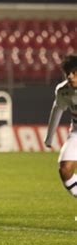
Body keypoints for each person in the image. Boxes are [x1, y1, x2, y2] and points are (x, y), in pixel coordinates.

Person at [44, 54, 77, 198]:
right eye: (67, 73)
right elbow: (57, 110)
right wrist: (49, 137)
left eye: (74, 72)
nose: (70, 76)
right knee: (65, 170)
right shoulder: (63, 90)